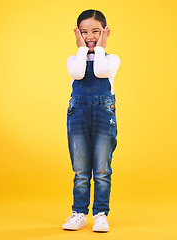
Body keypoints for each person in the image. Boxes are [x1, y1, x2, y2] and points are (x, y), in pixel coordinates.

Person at [62, 9, 120, 233]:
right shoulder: (73, 59)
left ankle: (100, 214)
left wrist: (101, 47)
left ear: (105, 32)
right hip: (78, 114)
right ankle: (79, 213)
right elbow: (78, 74)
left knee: (103, 168)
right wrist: (81, 48)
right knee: (81, 168)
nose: (90, 36)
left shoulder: (112, 59)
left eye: (96, 31)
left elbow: (100, 71)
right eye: (84, 32)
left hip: (104, 115)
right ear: (77, 33)